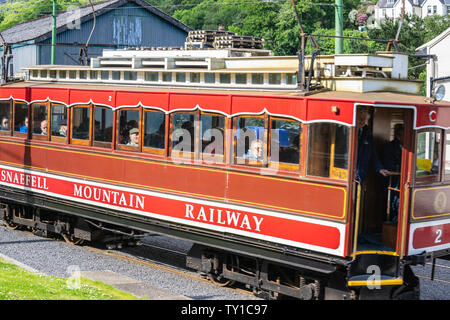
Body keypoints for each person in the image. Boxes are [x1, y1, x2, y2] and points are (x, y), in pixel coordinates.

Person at [355, 108, 389, 182]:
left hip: (361, 173)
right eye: (360, 119)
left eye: (364, 119)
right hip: (348, 173)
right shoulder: (347, 131)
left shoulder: (367, 132)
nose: (362, 121)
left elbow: (372, 152)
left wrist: (379, 168)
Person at [382, 124, 403, 222]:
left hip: (402, 181)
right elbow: (389, 167)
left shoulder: (409, 146)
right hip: (393, 182)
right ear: (398, 136)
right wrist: (400, 172)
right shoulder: (389, 147)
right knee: (394, 205)